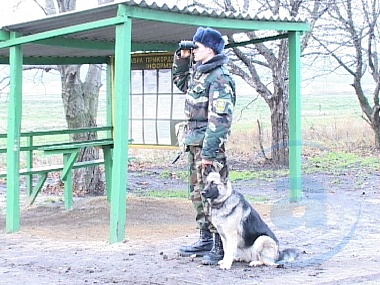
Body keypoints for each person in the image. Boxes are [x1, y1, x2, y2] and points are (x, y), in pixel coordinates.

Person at [172, 27, 236, 265]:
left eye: (196, 47)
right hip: (194, 144)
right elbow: (181, 83)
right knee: (198, 194)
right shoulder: (200, 74)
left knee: (215, 195)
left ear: (209, 49)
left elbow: (220, 120)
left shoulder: (219, 78)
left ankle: (221, 244)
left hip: (208, 147)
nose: (194, 50)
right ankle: (205, 238)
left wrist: (209, 153)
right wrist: (182, 59)